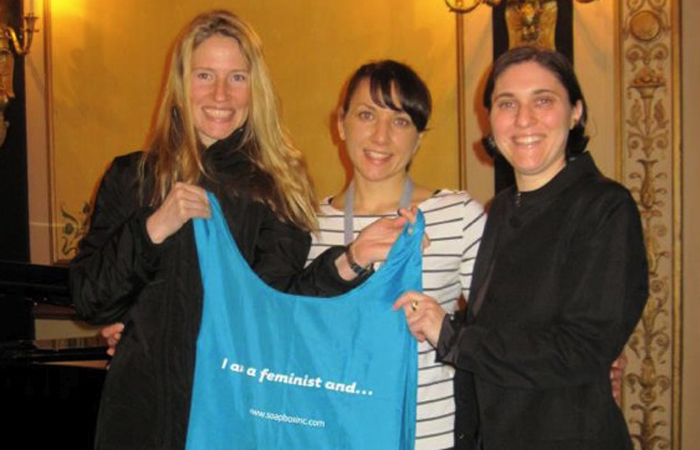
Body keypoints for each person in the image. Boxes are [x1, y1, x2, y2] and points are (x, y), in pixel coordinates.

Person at [70, 10, 409, 449]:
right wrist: (154, 226)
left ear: (256, 90)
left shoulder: (276, 188)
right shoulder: (132, 177)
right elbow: (89, 299)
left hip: (235, 416)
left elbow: (282, 310)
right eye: (204, 75)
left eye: (237, 78)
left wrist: (350, 260)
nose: (220, 95)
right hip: (142, 416)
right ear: (179, 85)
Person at [395, 46, 648, 450]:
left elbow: (580, 350)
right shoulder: (499, 211)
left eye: (543, 101)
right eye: (507, 103)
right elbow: (503, 331)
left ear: (576, 112)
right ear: (490, 119)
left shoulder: (604, 206)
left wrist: (453, 338)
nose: (524, 119)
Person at [308, 60, 486, 450]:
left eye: (401, 121)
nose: (381, 136)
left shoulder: (457, 216)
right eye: (366, 115)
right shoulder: (305, 225)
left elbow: (505, 333)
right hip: (329, 433)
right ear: (341, 123)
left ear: (419, 137)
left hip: (429, 436)